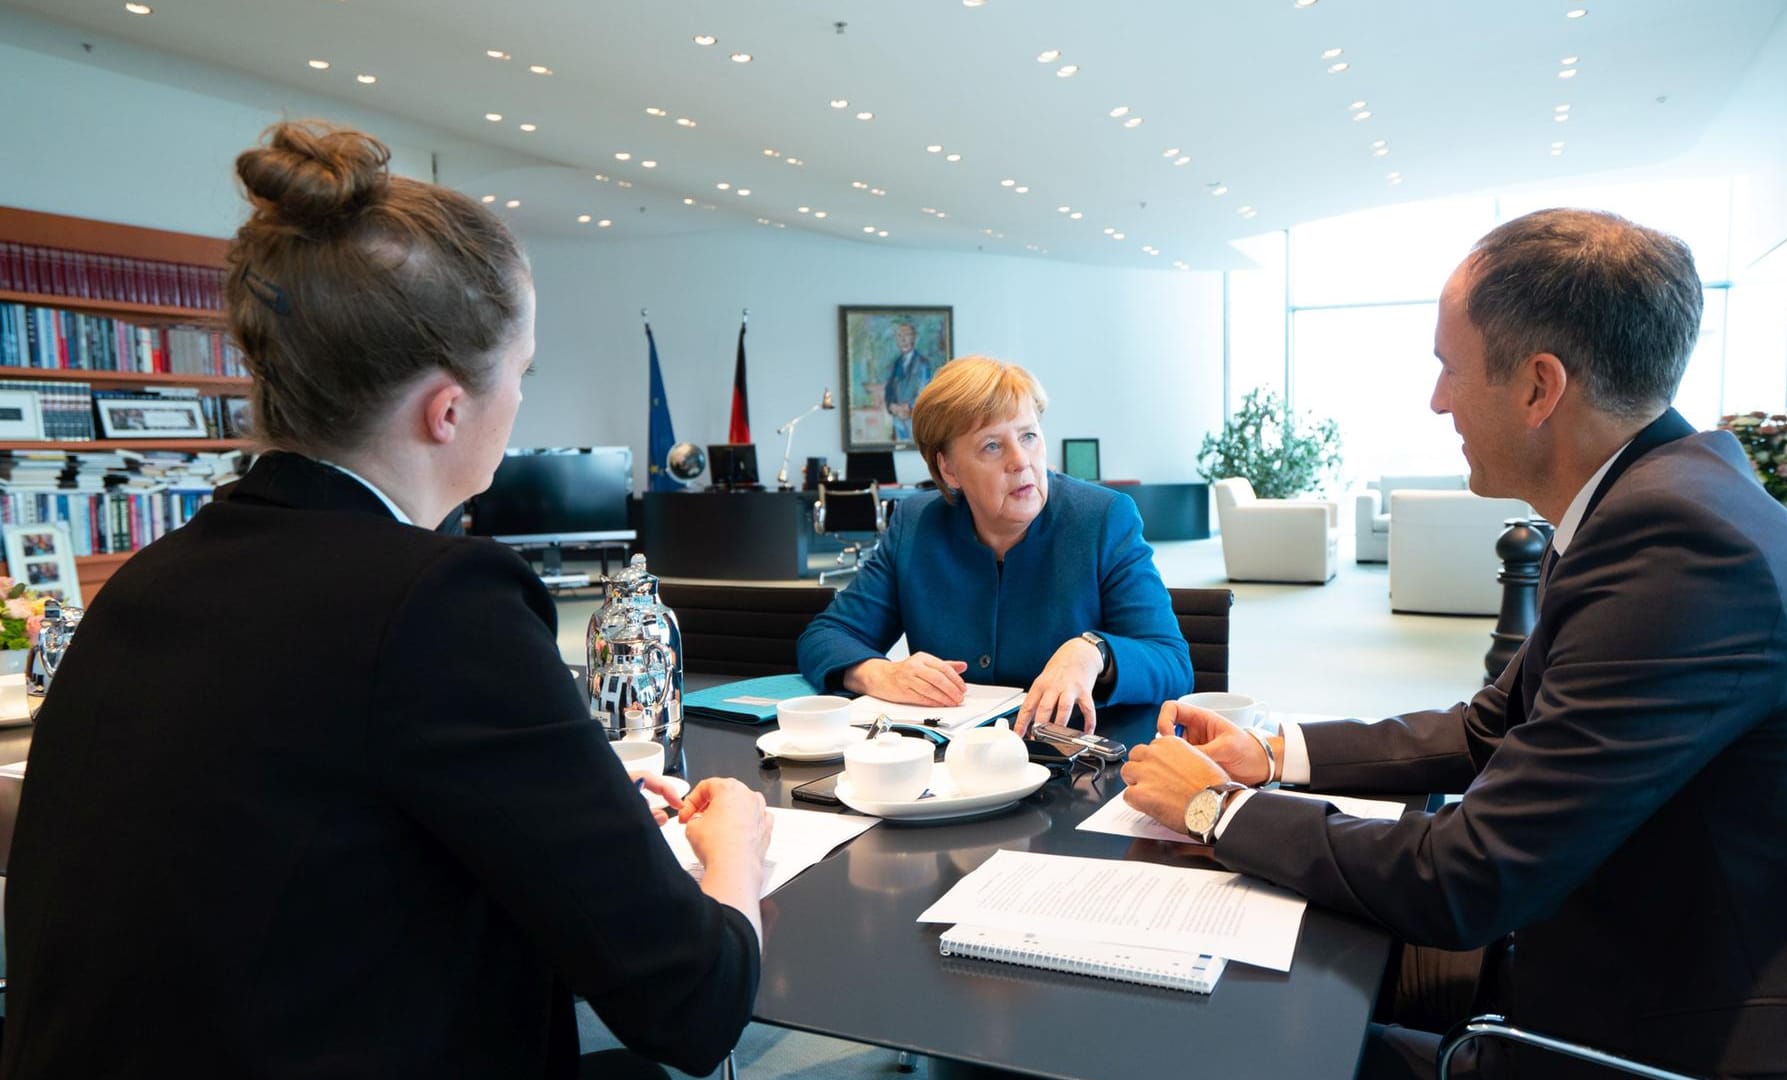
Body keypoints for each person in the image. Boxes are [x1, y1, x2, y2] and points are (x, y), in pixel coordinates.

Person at [1, 121, 772, 1079]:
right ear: (449, 410)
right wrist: (740, 849)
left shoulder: (145, 584)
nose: (521, 403)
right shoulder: (445, 605)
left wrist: (558, 802)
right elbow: (693, 1003)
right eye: (521, 375)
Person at [1122, 209, 1787, 1079]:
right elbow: (1487, 729)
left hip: (1669, 1038)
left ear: (1540, 387)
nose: (1437, 400)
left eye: (1448, 368)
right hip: (1634, 957)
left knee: (1219, 1049)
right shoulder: (1669, 502)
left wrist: (1215, 810)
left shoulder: (1683, 548)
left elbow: (1469, 880)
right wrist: (1272, 755)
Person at [799, 356, 1192, 733]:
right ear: (949, 469)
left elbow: (1173, 663)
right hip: (950, 767)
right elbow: (825, 637)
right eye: (992, 446)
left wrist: (1095, 653)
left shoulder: (1103, 519)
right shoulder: (916, 525)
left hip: (1077, 766)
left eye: (1029, 436)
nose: (1021, 460)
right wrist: (878, 673)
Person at [882, 319, 935, 441]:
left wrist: (909, 406)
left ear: (914, 338)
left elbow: (924, 392)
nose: (903, 339)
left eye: (907, 335)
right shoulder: (895, 364)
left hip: (915, 421)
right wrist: (891, 406)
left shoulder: (923, 364)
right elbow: (889, 390)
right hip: (898, 422)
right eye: (900, 335)